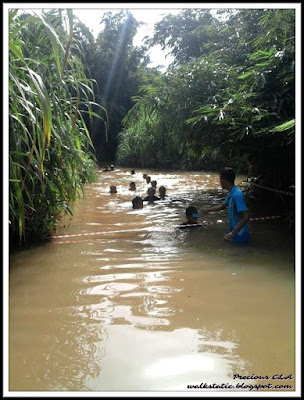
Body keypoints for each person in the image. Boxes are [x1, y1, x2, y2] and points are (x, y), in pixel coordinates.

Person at [201, 167, 249, 243]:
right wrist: (208, 210)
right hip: (235, 234)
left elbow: (245, 217)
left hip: (240, 235)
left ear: (223, 180)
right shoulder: (231, 193)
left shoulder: (237, 195)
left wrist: (232, 233)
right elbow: (222, 206)